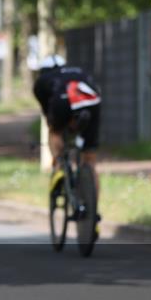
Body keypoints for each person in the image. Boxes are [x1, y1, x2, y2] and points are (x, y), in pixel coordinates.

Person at [31, 54, 102, 225]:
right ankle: (93, 212)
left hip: (62, 101)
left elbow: (47, 112)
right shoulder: (80, 71)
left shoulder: (42, 81)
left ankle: (60, 165)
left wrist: (58, 124)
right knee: (90, 161)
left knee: (54, 131)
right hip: (92, 102)